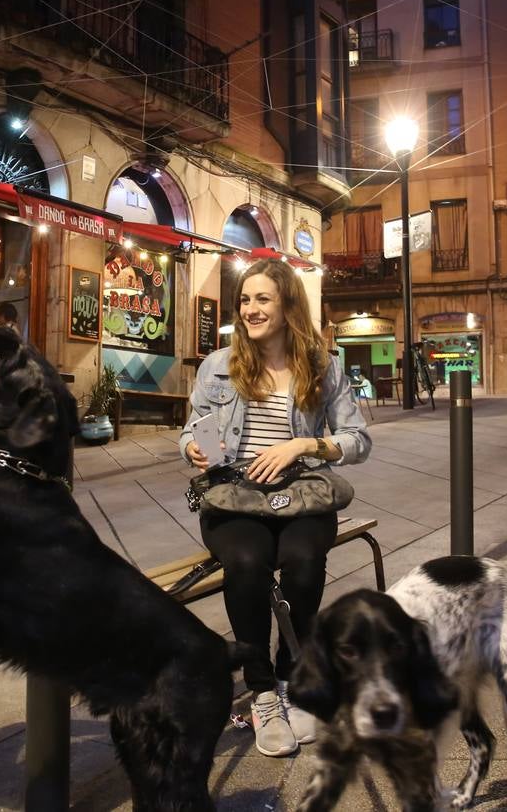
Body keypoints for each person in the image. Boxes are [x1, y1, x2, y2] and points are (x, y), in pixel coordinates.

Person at [180, 259, 371, 757]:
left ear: (288, 305)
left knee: (305, 563)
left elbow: (359, 439)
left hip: (301, 492)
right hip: (233, 495)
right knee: (246, 562)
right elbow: (188, 432)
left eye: (262, 299)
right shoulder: (217, 365)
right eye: (245, 300)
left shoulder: (321, 364)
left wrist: (303, 447)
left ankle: (292, 676)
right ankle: (262, 690)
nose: (250, 309)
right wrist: (193, 450)